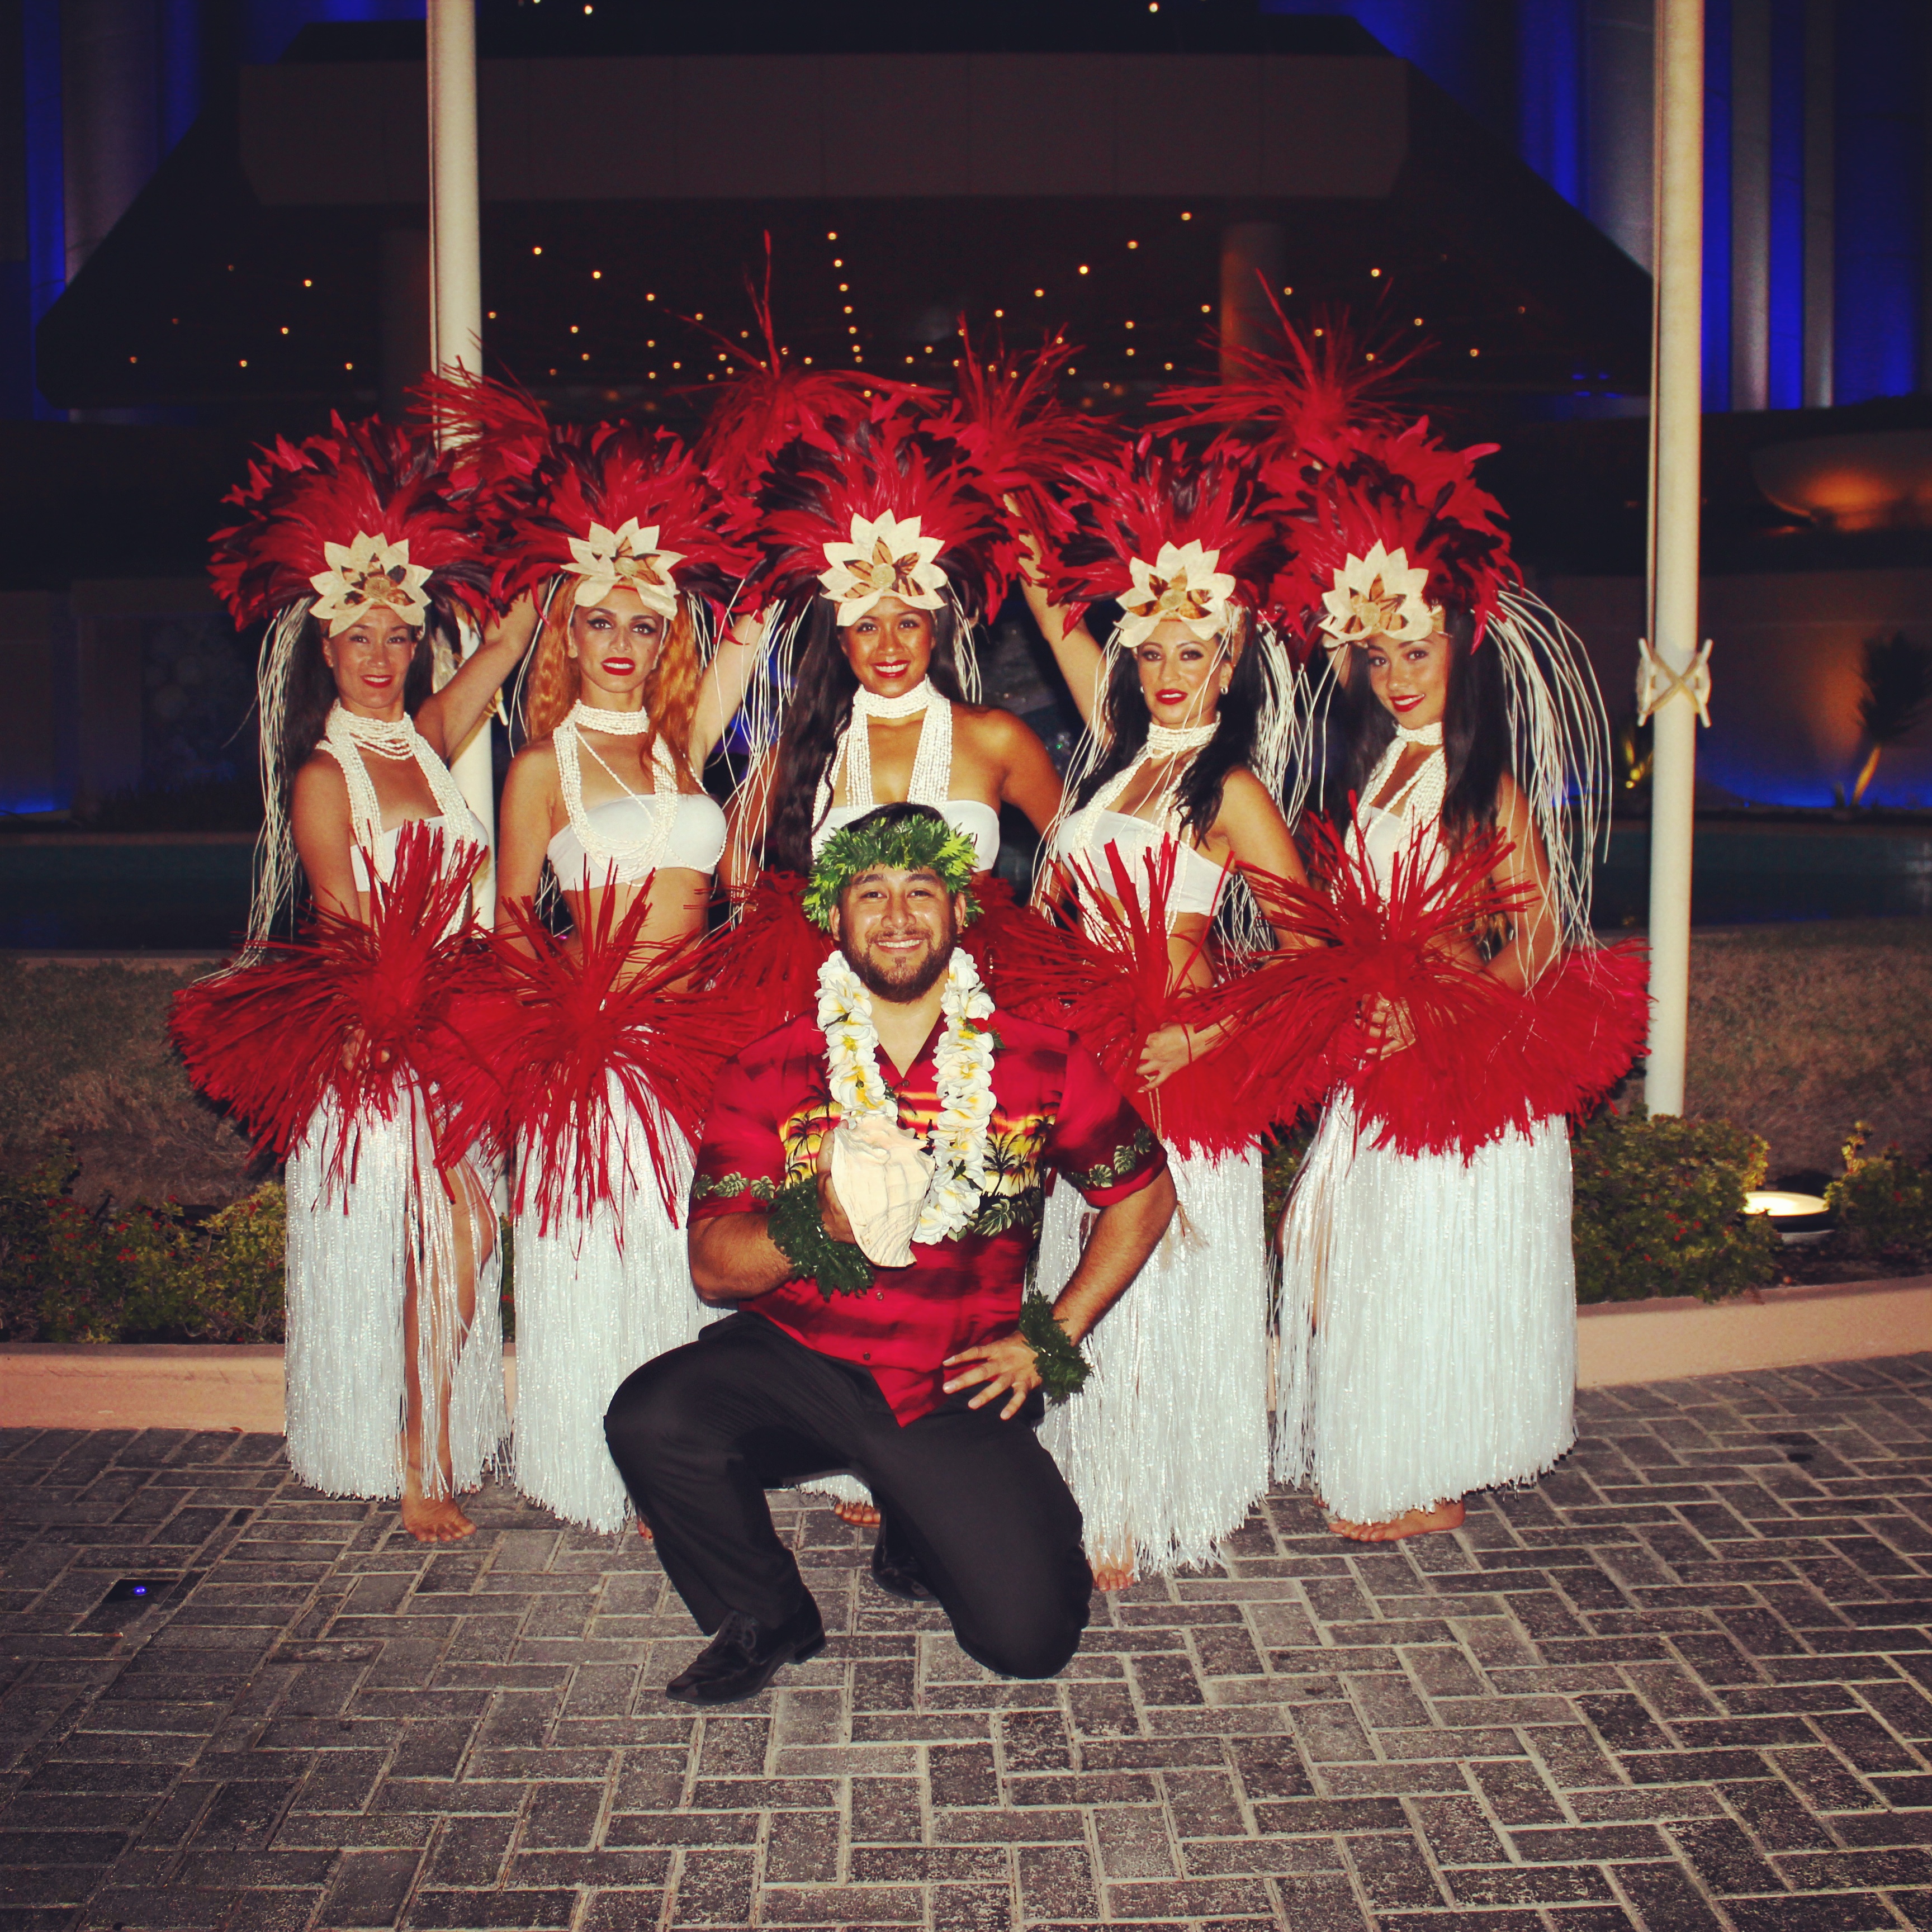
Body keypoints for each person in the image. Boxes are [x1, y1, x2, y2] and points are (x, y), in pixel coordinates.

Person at [602, 803, 1177, 1704]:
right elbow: (714, 1266)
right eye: (872, 892)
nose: (898, 915)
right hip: (800, 1357)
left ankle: (927, 1522)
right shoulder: (769, 1068)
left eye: (922, 891)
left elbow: (1142, 1192)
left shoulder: (1039, 1062)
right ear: (837, 918)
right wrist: (815, 1227)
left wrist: (1051, 1337)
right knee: (651, 1417)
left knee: (1030, 1642)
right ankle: (770, 1613)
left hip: (951, 1377)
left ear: (958, 913)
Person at [1255, 411, 1648, 1542]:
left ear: (1461, 647)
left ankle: (1425, 1476)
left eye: (1415, 652)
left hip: (1453, 1066)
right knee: (1330, 1252)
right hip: (1381, 1050)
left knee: (1414, 1267)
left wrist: (1428, 1016)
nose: (1394, 677)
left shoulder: (1492, 791)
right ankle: (1394, 1452)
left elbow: (1529, 945)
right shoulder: (1379, 774)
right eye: (1377, 658)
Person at [177, 414, 537, 1542]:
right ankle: (415, 1458)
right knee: (449, 1236)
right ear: (324, 649)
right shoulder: (328, 777)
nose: (382, 654)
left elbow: (505, 651)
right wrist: (397, 1036)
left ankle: (427, 1435)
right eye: (360, 638)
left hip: (459, 1023)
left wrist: (547, 545)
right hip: (383, 1035)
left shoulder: (424, 738)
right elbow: (344, 926)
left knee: (466, 1237)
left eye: (400, 633)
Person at [716, 395, 1067, 1528]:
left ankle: (948, 1429)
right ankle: (850, 1428)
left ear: (941, 624)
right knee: (848, 1209)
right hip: (833, 1009)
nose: (888, 645)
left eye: (908, 622)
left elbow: (1079, 864)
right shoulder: (796, 748)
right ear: (837, 631)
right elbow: (733, 874)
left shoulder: (998, 739)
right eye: (864, 625)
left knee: (969, 1220)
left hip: (971, 1003)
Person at [1003, 438, 1311, 1590]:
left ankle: (1156, 1492)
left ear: (1229, 666)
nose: (1171, 671)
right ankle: (1092, 1482)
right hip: (1087, 1049)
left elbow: (1311, 955)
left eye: (1195, 653)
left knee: (1162, 1277)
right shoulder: (1115, 755)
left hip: (1183, 1061)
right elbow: (1047, 606)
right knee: (1085, 1262)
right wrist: (1007, 474)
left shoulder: (1227, 789)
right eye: (1153, 650)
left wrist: (1207, 1030)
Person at [474, 409, 765, 1535]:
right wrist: (537, 1046)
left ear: (662, 644)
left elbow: (746, 638)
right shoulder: (541, 765)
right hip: (596, 1048)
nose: (618, 643)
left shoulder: (681, 753)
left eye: (641, 627)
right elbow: (509, 922)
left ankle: (681, 1461)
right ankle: (600, 1461)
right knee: (596, 1255)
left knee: (683, 1259)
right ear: (567, 634)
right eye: (596, 621)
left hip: (697, 1043)